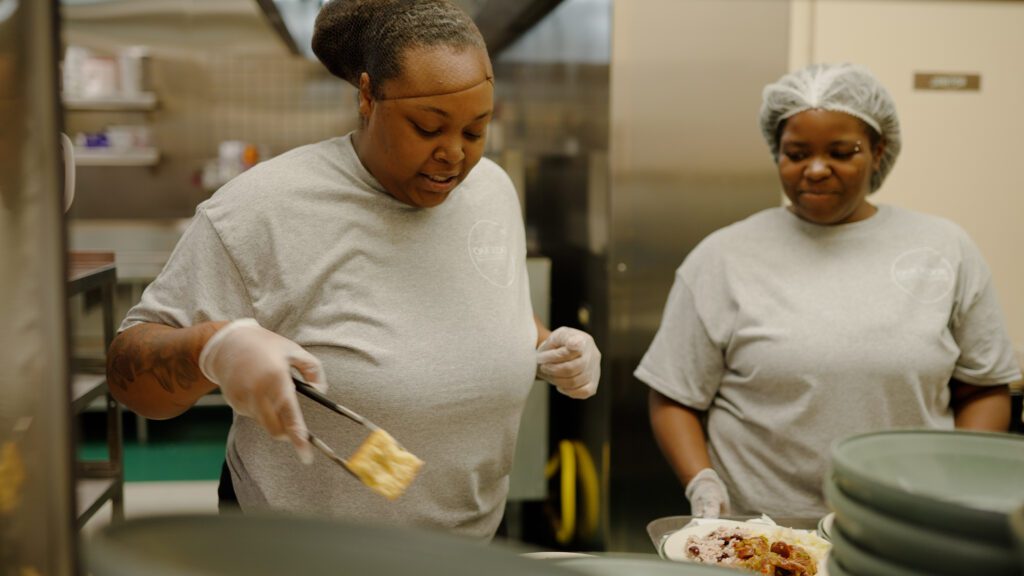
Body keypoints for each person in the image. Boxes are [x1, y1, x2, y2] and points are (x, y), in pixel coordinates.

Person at [106, 0, 600, 540]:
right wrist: (211, 349)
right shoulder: (262, 209)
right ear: (367, 96)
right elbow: (128, 377)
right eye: (428, 127)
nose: (454, 156)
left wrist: (549, 347)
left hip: (469, 548)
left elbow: (488, 308)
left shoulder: (492, 190)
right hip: (298, 554)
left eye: (475, 131)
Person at [635, 63, 1020, 519]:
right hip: (761, 535)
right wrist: (700, 480)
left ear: (878, 151)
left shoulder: (943, 249)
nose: (816, 170)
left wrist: (957, 482)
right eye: (797, 153)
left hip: (904, 523)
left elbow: (984, 387)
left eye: (841, 151)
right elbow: (675, 394)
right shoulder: (723, 257)